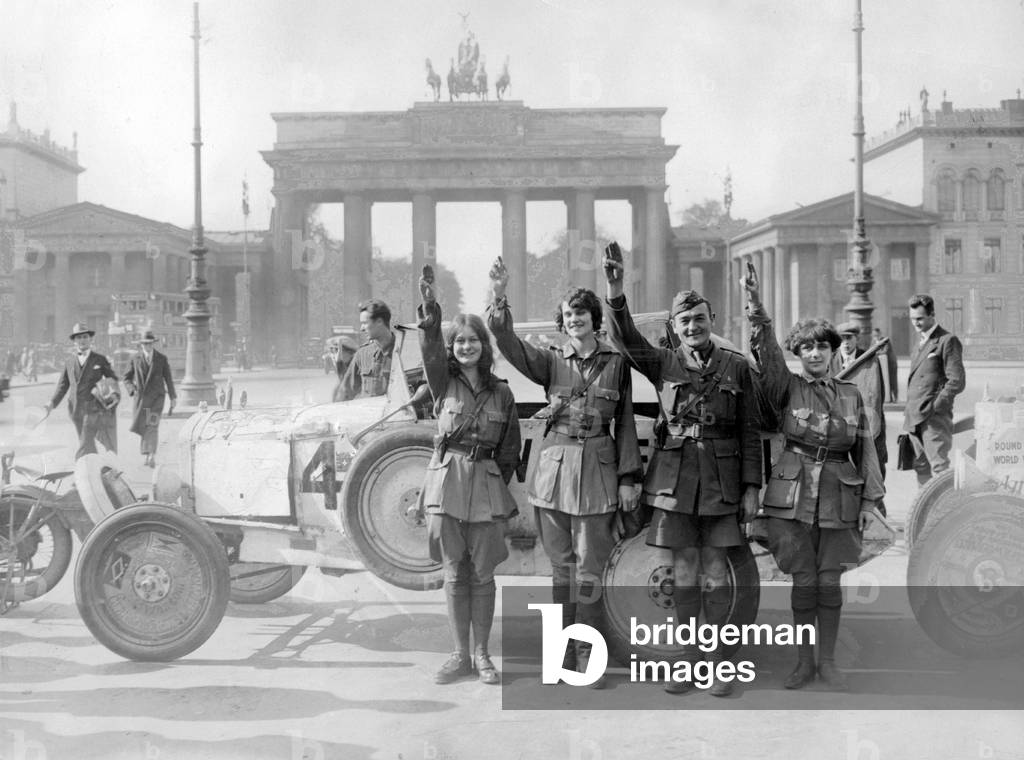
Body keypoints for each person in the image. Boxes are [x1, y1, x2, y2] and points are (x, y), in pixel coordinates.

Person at [602, 243, 761, 697]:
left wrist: (752, 487)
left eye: (700, 320)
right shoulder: (663, 362)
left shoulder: (736, 367)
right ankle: (688, 664)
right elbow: (625, 338)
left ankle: (713, 664)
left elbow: (749, 431)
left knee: (714, 569)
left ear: (713, 323)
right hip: (674, 484)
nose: (693, 327)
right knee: (684, 572)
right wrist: (616, 290)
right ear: (674, 328)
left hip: (721, 484)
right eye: (684, 322)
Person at [487, 256, 641, 689]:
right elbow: (507, 343)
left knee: (591, 568)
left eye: (582, 313)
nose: (575, 320)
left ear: (595, 319)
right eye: (568, 315)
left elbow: (625, 421)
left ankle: (587, 657)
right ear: (563, 322)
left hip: (598, 469)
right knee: (561, 569)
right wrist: (499, 295)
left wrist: (629, 478)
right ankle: (560, 655)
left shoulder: (616, 363)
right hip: (553, 472)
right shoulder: (551, 361)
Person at [743, 265, 883, 691]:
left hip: (839, 495)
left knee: (829, 581)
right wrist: (757, 310)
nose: (816, 354)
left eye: (822, 347)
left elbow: (867, 451)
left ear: (834, 352)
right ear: (798, 354)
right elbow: (766, 355)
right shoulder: (788, 388)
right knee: (804, 582)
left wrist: (869, 503)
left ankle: (829, 663)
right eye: (807, 348)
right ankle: (804, 664)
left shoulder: (851, 394)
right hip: (794, 495)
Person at [417, 265, 521, 685]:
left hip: (486, 490)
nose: (465, 346)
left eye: (472, 340)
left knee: (482, 574)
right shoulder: (442, 384)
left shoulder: (502, 392)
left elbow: (511, 447)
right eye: (458, 341)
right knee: (454, 573)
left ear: (484, 345)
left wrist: (493, 478)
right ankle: (459, 653)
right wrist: (429, 307)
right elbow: (428, 350)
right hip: (447, 488)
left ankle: (482, 655)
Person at [904, 294, 965, 486]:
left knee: (939, 470)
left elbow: (956, 381)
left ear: (932, 315)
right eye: (913, 319)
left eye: (920, 318)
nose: (916, 323)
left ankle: (946, 515)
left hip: (933, 419)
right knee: (921, 468)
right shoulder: (919, 343)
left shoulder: (947, 340)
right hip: (914, 418)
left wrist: (935, 408)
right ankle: (926, 514)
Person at [44, 323, 119, 460]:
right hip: (75, 409)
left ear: (90, 339)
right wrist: (52, 403)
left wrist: (107, 391)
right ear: (74, 341)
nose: (82, 340)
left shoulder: (99, 360)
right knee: (87, 444)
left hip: (94, 410)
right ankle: (97, 472)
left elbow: (112, 378)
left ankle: (80, 472)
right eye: (79, 338)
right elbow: (63, 386)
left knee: (84, 443)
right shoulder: (69, 361)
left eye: (85, 337)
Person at [830, 322, 888, 481]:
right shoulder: (830, 360)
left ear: (857, 339)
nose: (846, 343)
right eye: (842, 339)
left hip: (867, 422)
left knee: (872, 469)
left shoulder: (870, 361)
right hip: (841, 426)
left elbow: (877, 395)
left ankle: (876, 504)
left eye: (849, 338)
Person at [123, 330, 176, 468]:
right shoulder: (135, 359)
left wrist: (173, 397)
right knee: (144, 426)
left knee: (152, 425)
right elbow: (126, 378)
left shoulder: (161, 358)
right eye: (145, 344)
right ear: (141, 345)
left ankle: (151, 454)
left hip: (157, 398)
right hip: (141, 399)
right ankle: (147, 454)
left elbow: (168, 378)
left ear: (153, 343)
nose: (148, 346)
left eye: (150, 343)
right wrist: (132, 390)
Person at [337, 300, 396, 401]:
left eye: (365, 323)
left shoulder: (402, 353)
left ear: (379, 321)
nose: (361, 328)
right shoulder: (362, 354)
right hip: (368, 414)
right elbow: (345, 392)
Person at [871, 327, 898, 403]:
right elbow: (870, 350)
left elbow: (885, 351)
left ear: (880, 334)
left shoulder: (885, 340)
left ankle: (894, 397)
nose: (875, 337)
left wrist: (875, 352)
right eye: (874, 335)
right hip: (882, 365)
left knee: (892, 381)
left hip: (891, 364)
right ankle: (887, 398)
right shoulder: (873, 341)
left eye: (876, 335)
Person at [331, 338, 359, 403]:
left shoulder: (355, 364)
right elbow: (338, 360)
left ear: (350, 353)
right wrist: (340, 347)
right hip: (342, 396)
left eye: (343, 352)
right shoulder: (341, 366)